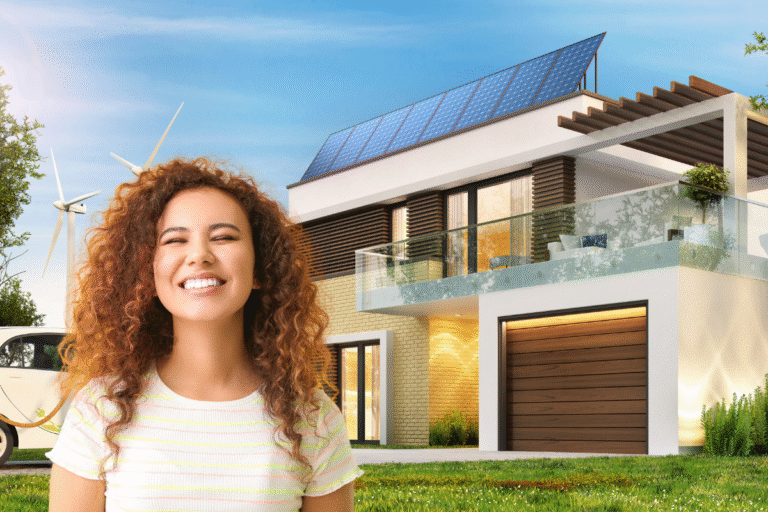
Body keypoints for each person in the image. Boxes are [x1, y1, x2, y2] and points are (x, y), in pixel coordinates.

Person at [47, 157, 362, 511]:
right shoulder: (100, 408)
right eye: (175, 240)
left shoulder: (313, 419)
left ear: (261, 269)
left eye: (224, 237)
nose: (199, 255)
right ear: (145, 274)